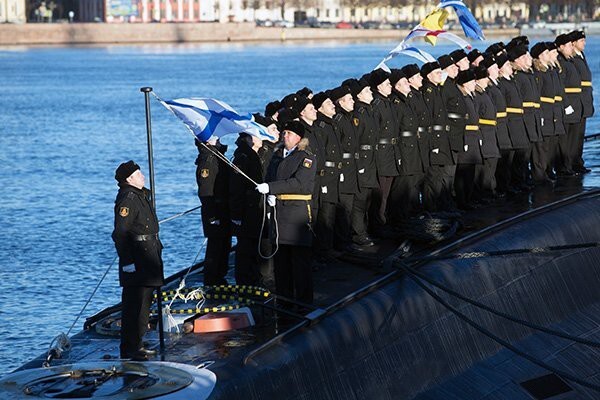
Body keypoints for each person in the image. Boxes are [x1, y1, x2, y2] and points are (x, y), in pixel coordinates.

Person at [258, 120, 317, 304]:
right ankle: (284, 302)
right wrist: (270, 195)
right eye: (284, 133)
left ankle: (303, 304)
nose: (285, 136)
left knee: (300, 264)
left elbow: (299, 183)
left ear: (299, 138)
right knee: (281, 265)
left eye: (289, 133)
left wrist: (271, 188)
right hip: (279, 215)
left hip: (296, 214)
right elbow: (270, 176)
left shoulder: (306, 158)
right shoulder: (277, 156)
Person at [112, 161, 164, 361]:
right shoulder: (128, 199)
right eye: (138, 174)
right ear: (129, 179)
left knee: (144, 304)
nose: (143, 176)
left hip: (149, 255)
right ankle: (130, 348)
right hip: (137, 257)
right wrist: (127, 262)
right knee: (134, 305)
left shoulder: (141, 195)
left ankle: (138, 344)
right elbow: (120, 233)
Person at [195, 136, 231, 285]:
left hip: (223, 209)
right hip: (215, 210)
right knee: (215, 247)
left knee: (224, 245)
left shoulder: (216, 156)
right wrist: (212, 216)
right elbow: (206, 191)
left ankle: (220, 277)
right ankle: (212, 280)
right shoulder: (208, 161)